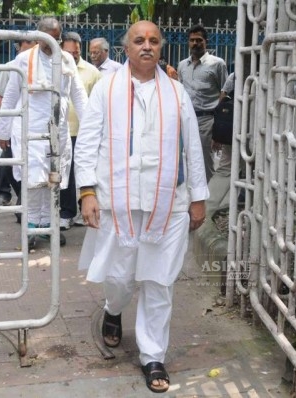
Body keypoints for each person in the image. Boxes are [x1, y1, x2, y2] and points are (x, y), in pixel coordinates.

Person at [74, 21, 209, 393]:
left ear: (161, 47)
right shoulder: (107, 89)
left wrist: (198, 198)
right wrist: (87, 192)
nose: (147, 46)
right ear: (127, 49)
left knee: (159, 281)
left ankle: (152, 356)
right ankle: (113, 310)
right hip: (117, 200)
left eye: (153, 40)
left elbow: (192, 149)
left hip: (168, 202)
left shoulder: (177, 92)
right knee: (119, 277)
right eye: (139, 40)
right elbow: (86, 143)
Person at [0, 18, 88, 250]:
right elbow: (9, 96)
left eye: (56, 38)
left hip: (58, 132)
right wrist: (3, 129)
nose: (51, 44)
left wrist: (89, 125)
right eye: (47, 39)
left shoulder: (66, 59)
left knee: (53, 180)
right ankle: (31, 226)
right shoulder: (23, 59)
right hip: (30, 131)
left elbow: (78, 95)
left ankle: (48, 225)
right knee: (31, 181)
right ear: (38, 36)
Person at [59, 32, 101, 231]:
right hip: (60, 132)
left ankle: (82, 208)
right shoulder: (54, 68)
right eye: (68, 52)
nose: (72, 56)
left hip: (83, 131)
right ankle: (66, 213)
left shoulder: (92, 72)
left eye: (76, 52)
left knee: (83, 171)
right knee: (64, 173)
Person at [177, 24, 227, 182]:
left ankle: (208, 201)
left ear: (206, 42)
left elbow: (225, 94)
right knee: (185, 157)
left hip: (207, 120)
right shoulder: (182, 65)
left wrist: (219, 127)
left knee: (205, 160)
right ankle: (190, 195)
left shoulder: (217, 64)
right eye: (192, 40)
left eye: (199, 40)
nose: (195, 44)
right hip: (186, 119)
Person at [0, 39, 36, 219]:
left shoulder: (48, 64)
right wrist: (3, 127)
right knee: (10, 163)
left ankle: (30, 209)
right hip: (15, 127)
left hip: (36, 129)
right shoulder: (12, 66)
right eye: (28, 44)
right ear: (19, 47)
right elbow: (1, 98)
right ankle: (15, 196)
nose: (32, 48)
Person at [206, 72, 235, 217]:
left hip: (235, 131)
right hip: (263, 134)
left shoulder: (236, 75)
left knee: (225, 169)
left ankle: (206, 209)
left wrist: (219, 133)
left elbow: (222, 100)